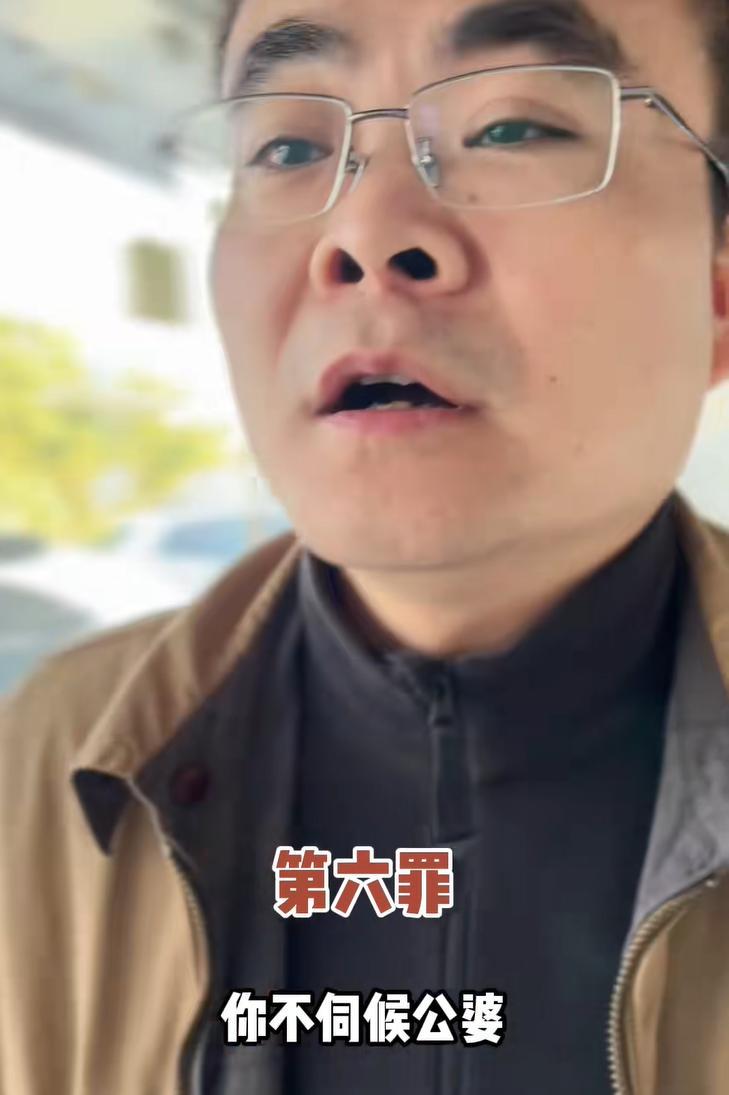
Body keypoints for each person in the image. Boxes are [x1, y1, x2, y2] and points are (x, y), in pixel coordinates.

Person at [2, 0, 729, 1091]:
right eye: (288, 147)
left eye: (512, 127)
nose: (364, 231)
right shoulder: (41, 766)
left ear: (718, 292)